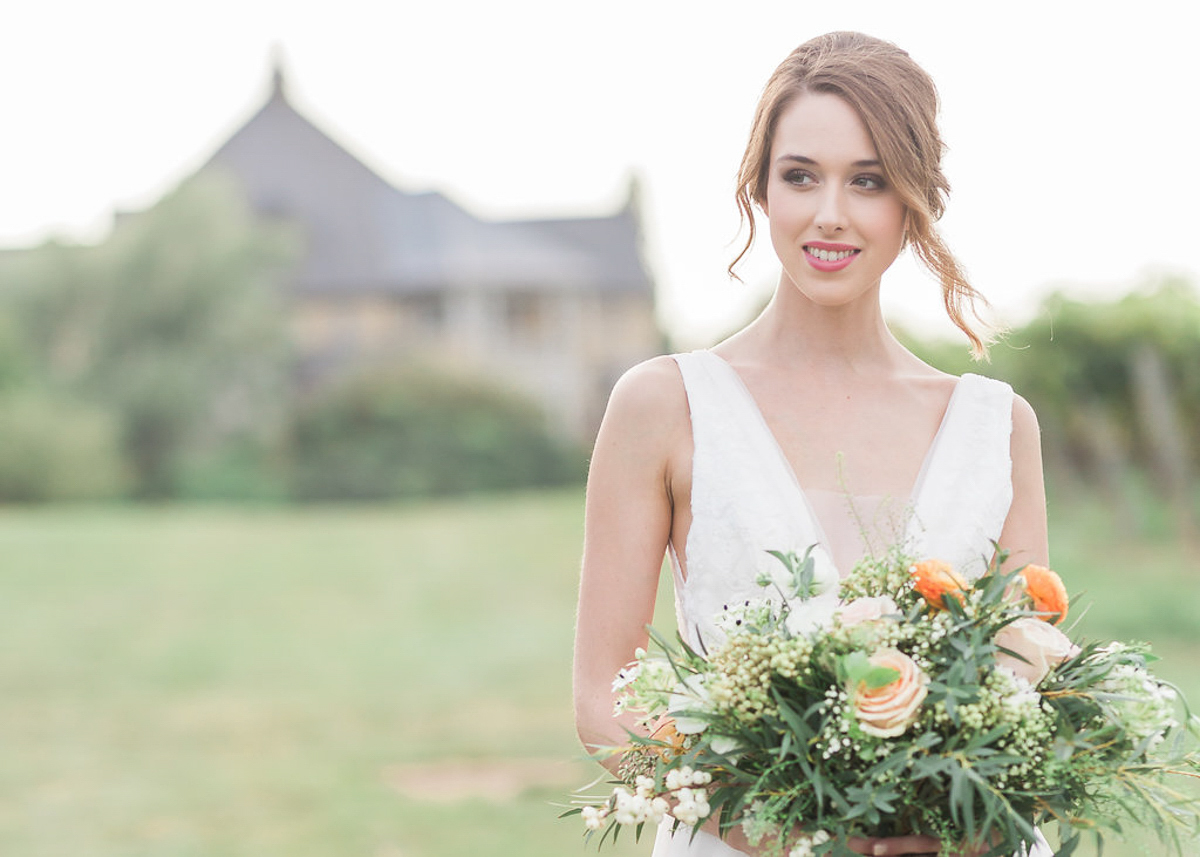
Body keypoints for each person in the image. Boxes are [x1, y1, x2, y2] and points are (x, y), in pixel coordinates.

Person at [573, 31, 1050, 857]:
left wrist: (956, 830)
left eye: (868, 181)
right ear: (759, 188)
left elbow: (1023, 680)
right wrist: (787, 831)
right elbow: (602, 698)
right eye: (801, 176)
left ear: (915, 198)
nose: (830, 213)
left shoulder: (998, 427)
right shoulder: (664, 404)